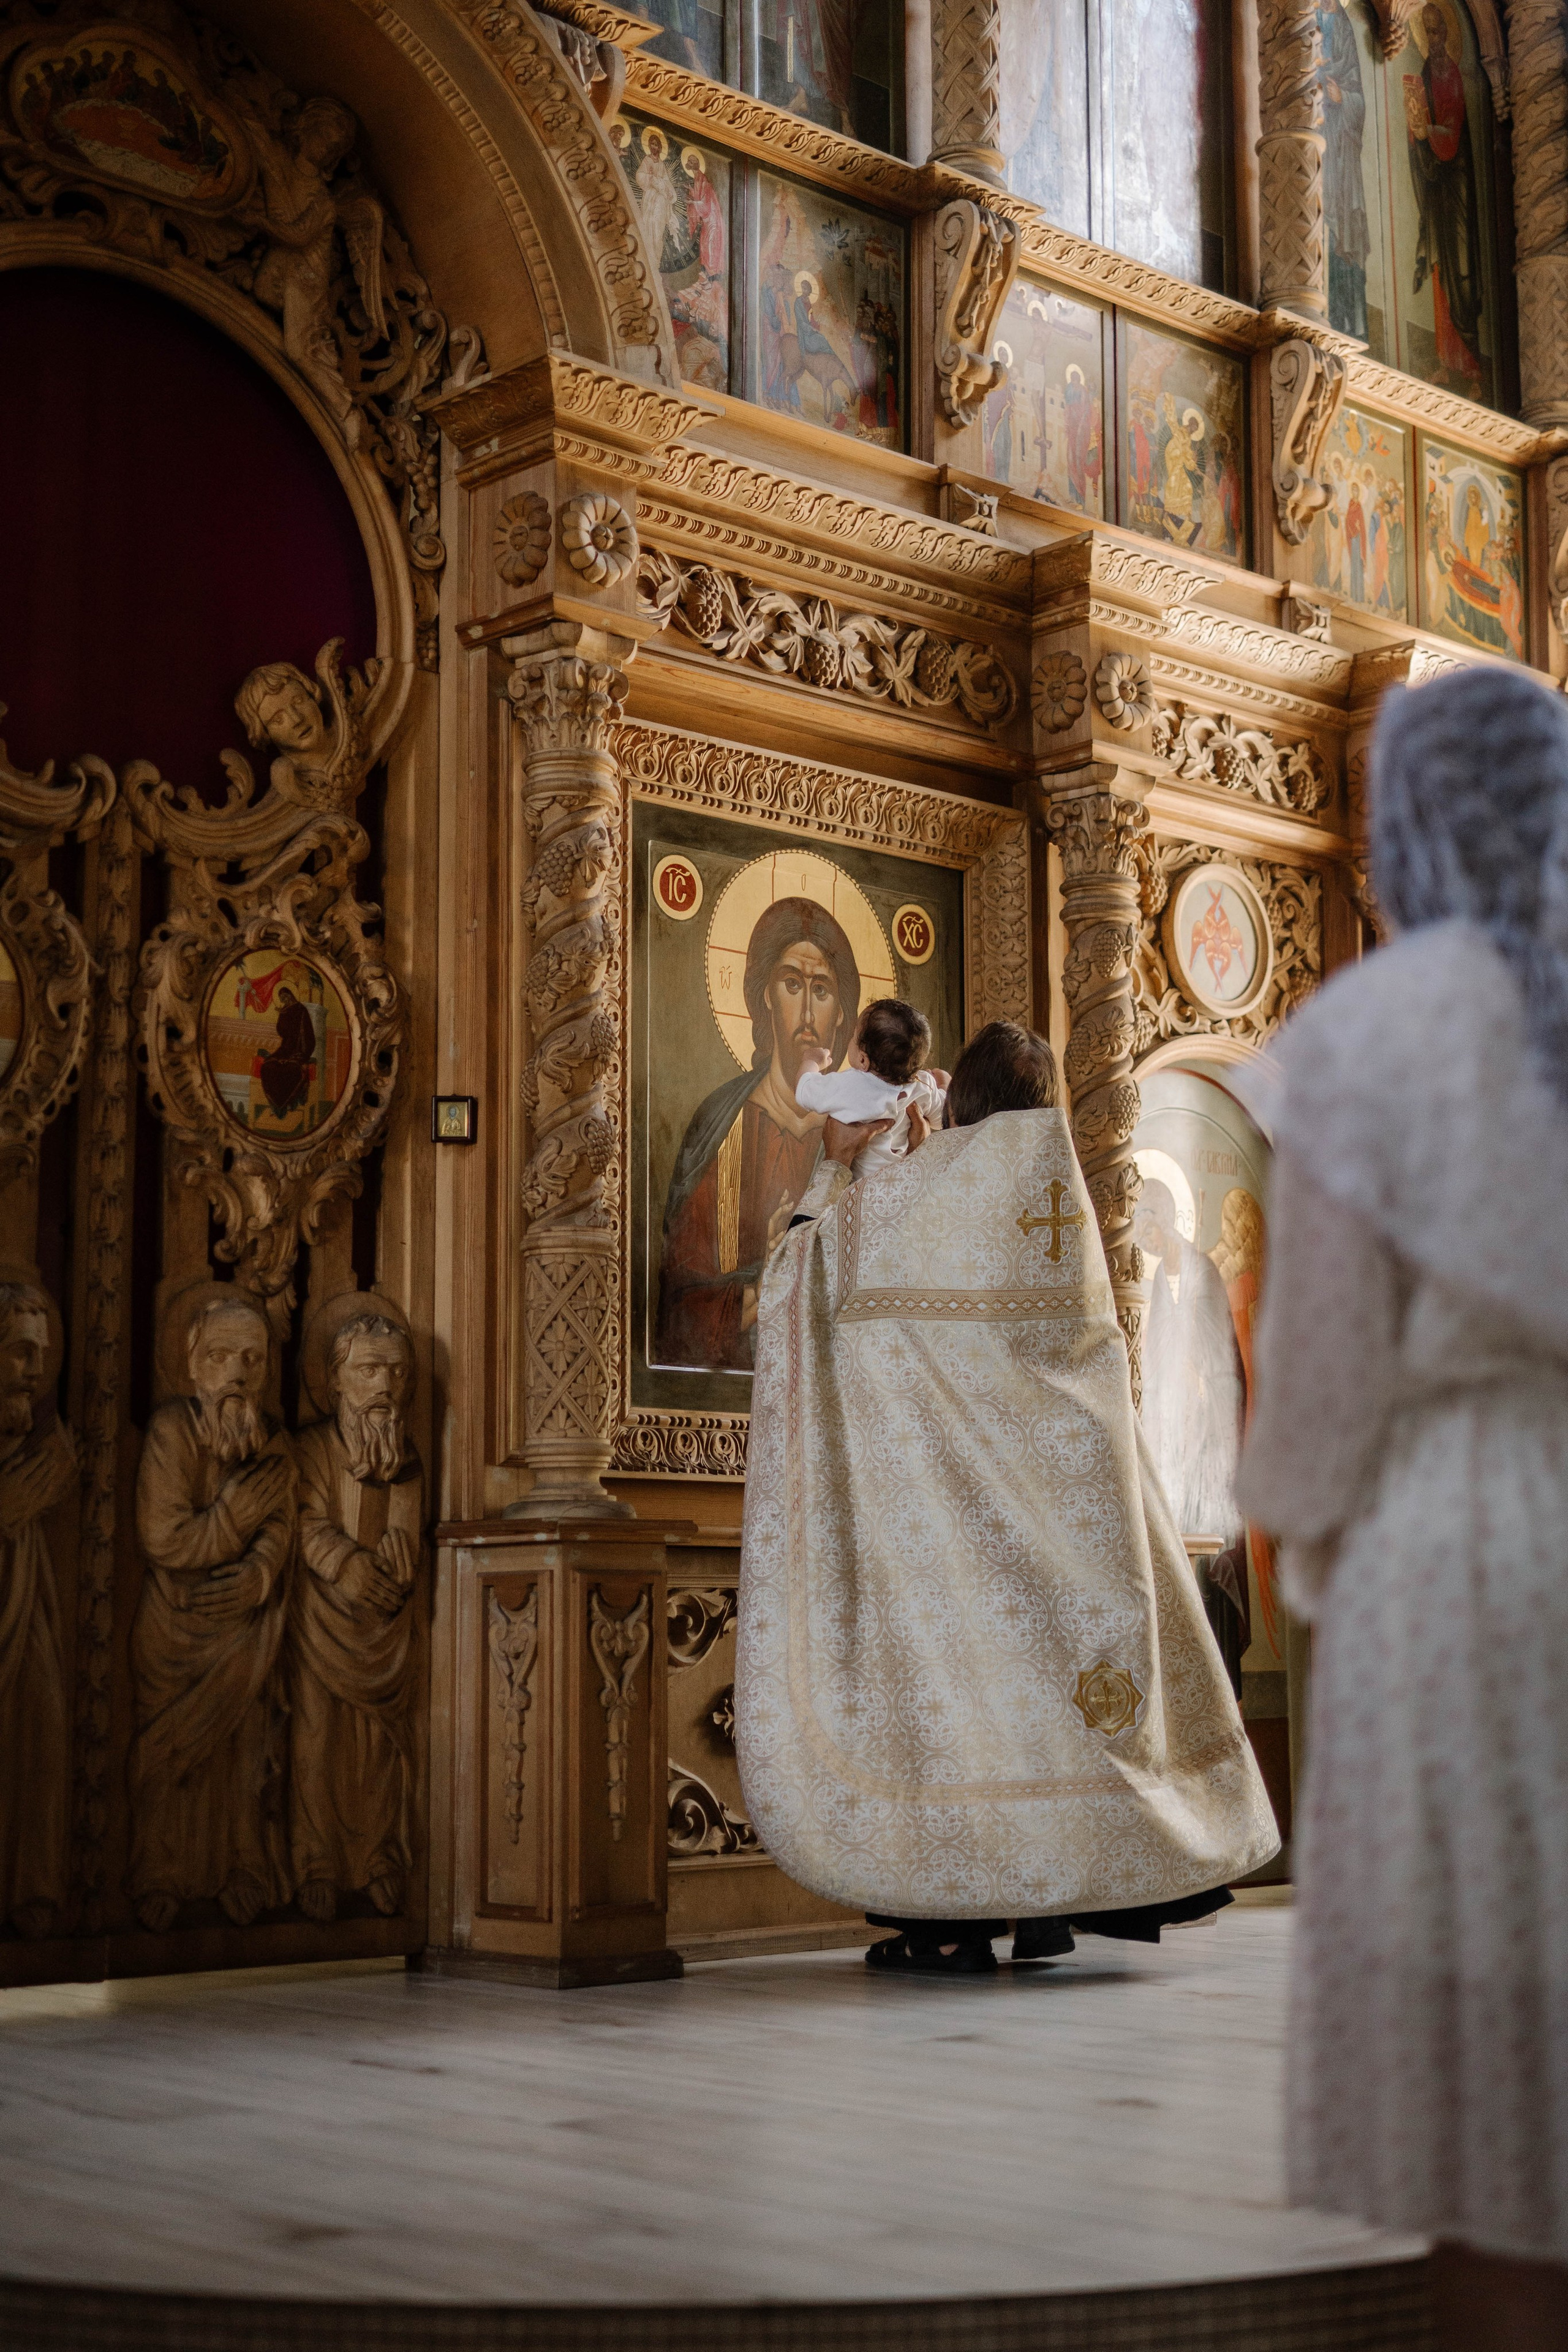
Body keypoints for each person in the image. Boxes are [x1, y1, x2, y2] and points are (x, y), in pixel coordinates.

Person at [1237, 667, 1568, 2346]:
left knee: (1487, 2063)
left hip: (1463, 1549)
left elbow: (1320, 1387)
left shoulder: (1375, 1029)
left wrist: (1305, 1549)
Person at [736, 1018, 1278, 1975]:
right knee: (1046, 1701)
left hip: (954, 1531)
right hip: (1070, 1524)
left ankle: (954, 1924)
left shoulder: (918, 1199)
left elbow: (796, 1284)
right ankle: (1047, 1909)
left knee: (966, 1712)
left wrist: (832, 1170)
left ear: (969, 1101)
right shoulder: (1064, 1203)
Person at [129, 1289, 295, 1932]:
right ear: (193, 1364)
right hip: (175, 1626)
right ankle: (157, 1875)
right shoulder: (173, 1432)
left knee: (246, 1755)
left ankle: (243, 1871)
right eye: (222, 1356)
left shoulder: (272, 1443)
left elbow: (281, 1523)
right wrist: (231, 1521)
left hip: (246, 1631)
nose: (237, 1373)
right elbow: (164, 1539)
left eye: (252, 1360)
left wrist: (259, 1574)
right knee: (170, 1756)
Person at [657, 897, 858, 1372]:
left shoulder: (858, 1131)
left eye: (823, 990)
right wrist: (764, 1284)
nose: (807, 1015)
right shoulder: (721, 1124)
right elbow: (677, 1312)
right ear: (766, 994)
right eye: (792, 984)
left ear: (842, 1012)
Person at [794, 997, 948, 1183]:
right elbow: (943, 1119)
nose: (850, 1040)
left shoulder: (851, 1085)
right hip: (903, 1183)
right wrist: (944, 1086)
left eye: (853, 1036)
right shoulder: (923, 1085)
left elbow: (804, 1090)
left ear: (863, 1061)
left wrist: (811, 1062)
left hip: (861, 1187)